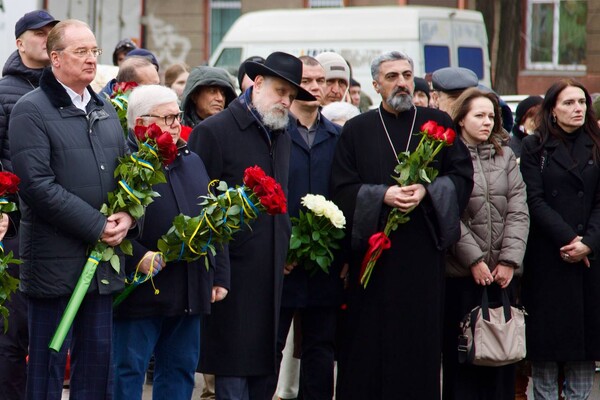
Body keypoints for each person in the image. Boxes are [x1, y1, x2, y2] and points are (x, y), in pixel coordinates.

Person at [330, 51, 473, 399]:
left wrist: (427, 190)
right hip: (375, 259)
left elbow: (462, 177)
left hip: (422, 254)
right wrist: (383, 196)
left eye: (407, 75)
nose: (402, 83)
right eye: (392, 76)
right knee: (369, 345)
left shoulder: (437, 123)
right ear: (376, 84)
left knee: (419, 343)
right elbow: (342, 188)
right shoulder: (357, 129)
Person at [8, 19, 136, 399]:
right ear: (55, 58)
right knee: (47, 370)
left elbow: (129, 175)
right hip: (54, 266)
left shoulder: (106, 109)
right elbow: (36, 186)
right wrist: (98, 225)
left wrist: (128, 216)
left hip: (101, 266)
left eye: (94, 51)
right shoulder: (30, 110)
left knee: (97, 369)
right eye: (80, 52)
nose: (91, 59)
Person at [188, 51, 315, 400]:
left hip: (272, 275)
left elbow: (282, 200)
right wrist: (215, 272)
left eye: (291, 96)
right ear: (257, 83)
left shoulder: (281, 134)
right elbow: (200, 209)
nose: (286, 101)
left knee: (263, 376)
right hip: (231, 278)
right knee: (232, 376)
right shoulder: (214, 132)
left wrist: (285, 243)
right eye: (280, 91)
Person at [112, 84, 229, 399]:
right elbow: (105, 222)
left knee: (179, 372)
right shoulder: (123, 165)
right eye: (167, 118)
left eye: (177, 116)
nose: (177, 124)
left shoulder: (191, 160)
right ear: (141, 124)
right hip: (141, 288)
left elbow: (212, 220)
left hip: (189, 288)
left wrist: (218, 276)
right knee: (127, 372)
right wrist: (137, 255)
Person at [442, 88, 529, 400]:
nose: (487, 122)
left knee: (501, 358)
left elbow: (519, 209)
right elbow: (449, 213)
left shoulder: (505, 155)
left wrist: (508, 261)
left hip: (502, 276)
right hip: (463, 276)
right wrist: (474, 260)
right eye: (479, 115)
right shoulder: (447, 155)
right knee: (465, 362)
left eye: (491, 116)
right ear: (462, 119)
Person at [267, 55, 343, 400]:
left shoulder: (339, 137)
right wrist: (278, 250)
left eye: (320, 81)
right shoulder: (272, 133)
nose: (315, 87)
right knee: (270, 346)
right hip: (281, 263)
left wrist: (342, 254)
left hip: (324, 263)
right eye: (307, 81)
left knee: (320, 349)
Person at [519, 79, 600, 400]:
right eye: (568, 103)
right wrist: (569, 240)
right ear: (551, 110)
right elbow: (533, 200)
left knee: (582, 359)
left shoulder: (596, 143)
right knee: (547, 362)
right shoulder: (534, 147)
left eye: (581, 102)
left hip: (589, 261)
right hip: (549, 259)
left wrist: (589, 242)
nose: (577, 108)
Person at [0, 9, 58, 399]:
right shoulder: (5, 91)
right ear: (20, 42)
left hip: (57, 224)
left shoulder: (62, 89)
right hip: (17, 226)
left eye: (52, 33)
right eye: (39, 34)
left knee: (48, 331)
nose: (46, 38)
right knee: (12, 330)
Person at [180, 65, 236, 130]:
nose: (220, 98)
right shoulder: (177, 132)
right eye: (212, 91)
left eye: (223, 93)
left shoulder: (233, 131)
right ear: (194, 96)